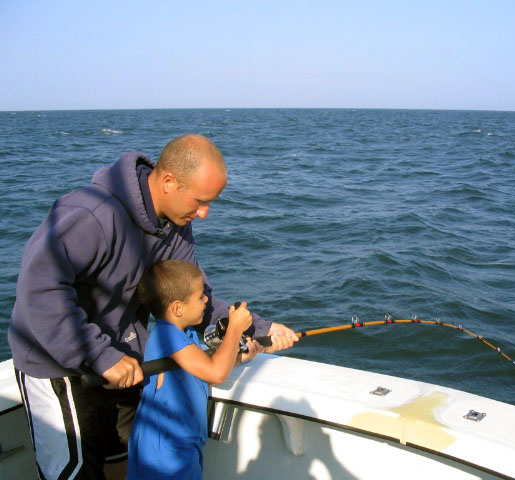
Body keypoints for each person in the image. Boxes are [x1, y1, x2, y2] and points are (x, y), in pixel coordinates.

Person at [8, 134, 298, 480]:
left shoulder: (176, 226)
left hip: (125, 363)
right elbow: (39, 289)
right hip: (60, 366)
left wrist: (259, 329)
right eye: (200, 201)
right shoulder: (91, 214)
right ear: (168, 182)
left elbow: (191, 300)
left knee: (124, 461)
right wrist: (102, 357)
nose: (204, 214)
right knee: (76, 473)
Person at [128, 260, 262, 480]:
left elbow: (200, 373)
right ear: (178, 308)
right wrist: (235, 329)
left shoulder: (184, 334)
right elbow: (215, 373)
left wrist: (238, 357)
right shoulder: (166, 335)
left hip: (181, 444)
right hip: (166, 450)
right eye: (200, 297)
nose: (206, 300)